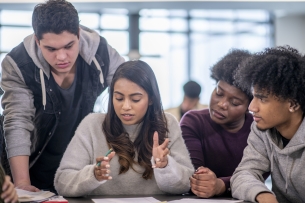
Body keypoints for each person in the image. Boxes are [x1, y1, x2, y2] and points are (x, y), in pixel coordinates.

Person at [0, 0, 124, 192]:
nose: (62, 57)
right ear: (37, 40)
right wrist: (22, 183)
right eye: (51, 49)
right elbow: (17, 123)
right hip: (31, 164)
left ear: (79, 35)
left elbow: (129, 90)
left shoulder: (101, 53)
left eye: (69, 46)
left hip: (75, 169)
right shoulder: (18, 64)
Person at [54, 60, 194, 197]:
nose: (126, 106)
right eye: (119, 98)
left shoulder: (167, 123)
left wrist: (165, 166)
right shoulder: (92, 124)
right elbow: (62, 182)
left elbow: (187, 183)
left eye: (135, 99)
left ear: (151, 98)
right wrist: (93, 175)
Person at [231, 46, 305, 203]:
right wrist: (263, 195)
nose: (251, 107)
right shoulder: (261, 129)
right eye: (253, 97)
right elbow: (243, 174)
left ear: (292, 104)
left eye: (262, 99)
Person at [180, 49, 254, 198]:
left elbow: (255, 176)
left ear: (250, 106)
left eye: (234, 102)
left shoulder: (258, 130)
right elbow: (191, 174)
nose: (222, 104)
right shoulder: (193, 121)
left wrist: (221, 185)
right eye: (219, 93)